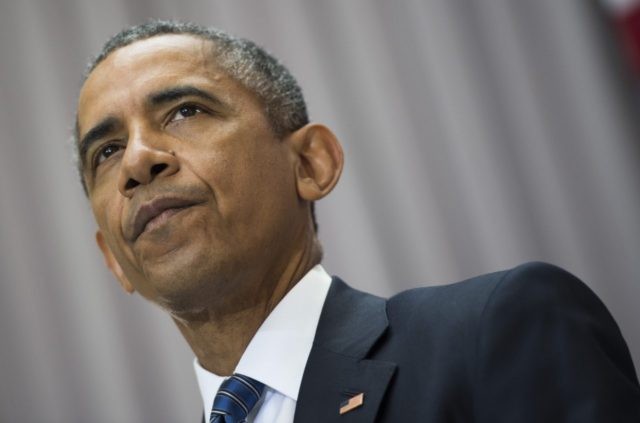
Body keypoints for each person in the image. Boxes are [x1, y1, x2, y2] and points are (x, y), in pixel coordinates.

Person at [75, 20, 640, 422]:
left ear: (310, 164)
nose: (136, 161)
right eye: (105, 151)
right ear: (113, 260)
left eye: (186, 111)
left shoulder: (495, 332)